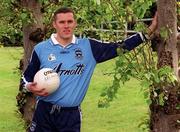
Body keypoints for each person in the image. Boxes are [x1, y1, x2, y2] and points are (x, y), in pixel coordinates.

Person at [22, 7, 157, 132]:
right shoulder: (41, 49)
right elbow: (26, 78)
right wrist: (29, 87)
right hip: (44, 112)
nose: (66, 25)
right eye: (62, 22)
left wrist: (149, 30)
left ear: (75, 23)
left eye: (70, 21)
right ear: (54, 24)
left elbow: (120, 47)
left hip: (70, 115)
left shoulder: (88, 47)